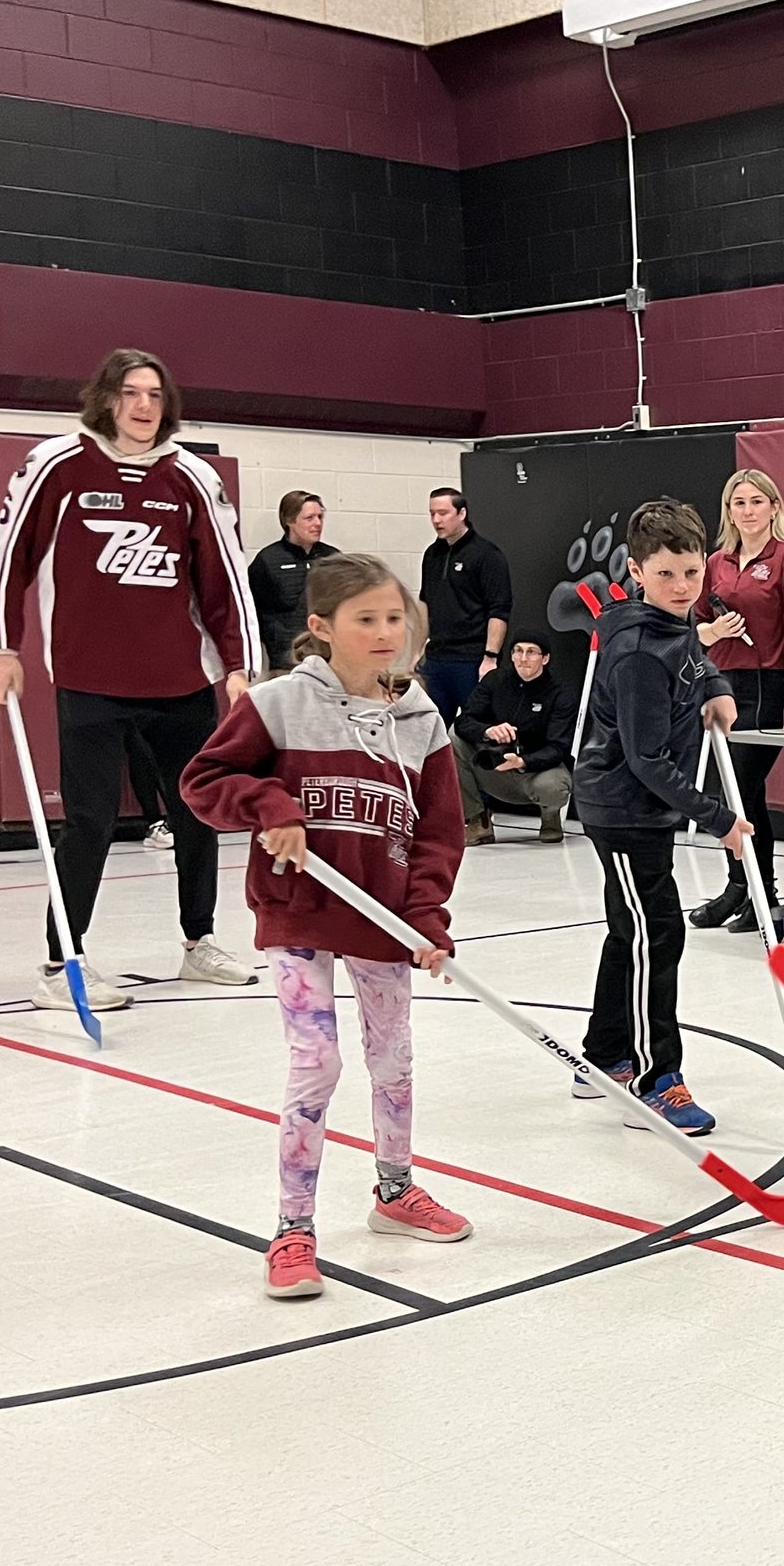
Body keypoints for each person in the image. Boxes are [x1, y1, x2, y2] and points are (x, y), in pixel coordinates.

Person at [179, 553, 471, 1300]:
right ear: (320, 627)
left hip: (383, 913)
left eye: (394, 618)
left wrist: (426, 913)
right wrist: (271, 808)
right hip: (299, 909)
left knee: (394, 1058)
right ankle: (292, 1227)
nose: (385, 633)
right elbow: (204, 782)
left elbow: (440, 831)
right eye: (365, 619)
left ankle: (394, 1190)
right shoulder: (279, 702)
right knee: (317, 1062)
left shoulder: (420, 718)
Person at [0, 346, 260, 1009]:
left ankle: (200, 941)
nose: (142, 406)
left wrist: (240, 665)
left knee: (198, 814)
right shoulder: (55, 463)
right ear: (106, 397)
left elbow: (225, 578)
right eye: (130, 392)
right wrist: (1, 645)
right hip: (90, 680)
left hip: (181, 682)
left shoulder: (190, 476)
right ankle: (61, 960)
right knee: (90, 822)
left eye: (154, 395)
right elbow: (7, 555)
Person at [572, 498, 747, 1133]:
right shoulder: (639, 649)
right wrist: (717, 817)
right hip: (622, 809)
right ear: (637, 570)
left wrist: (718, 691)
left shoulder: (669, 626)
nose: (681, 587)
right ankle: (655, 1077)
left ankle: (603, 1057)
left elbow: (695, 662)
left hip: (639, 809)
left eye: (692, 573)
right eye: (667, 574)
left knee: (631, 932)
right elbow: (646, 759)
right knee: (657, 934)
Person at [688, 467, 784, 934]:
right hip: (721, 683)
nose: (748, 511)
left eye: (756, 501)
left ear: (773, 507)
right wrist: (712, 630)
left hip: (768, 685)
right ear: (729, 511)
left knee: (740, 790)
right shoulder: (715, 563)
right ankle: (747, 890)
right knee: (738, 792)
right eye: (739, 502)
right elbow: (696, 627)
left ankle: (752, 892)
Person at [453, 633, 571, 845]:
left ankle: (550, 815)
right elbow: (464, 721)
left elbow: (558, 747)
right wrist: (487, 731)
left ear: (545, 659)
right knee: (452, 736)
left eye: (531, 652)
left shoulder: (559, 694)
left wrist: (524, 761)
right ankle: (478, 820)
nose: (523, 658)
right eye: (518, 651)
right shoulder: (495, 680)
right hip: (495, 769)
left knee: (555, 787)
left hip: (534, 772)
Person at [417, 487, 511, 725]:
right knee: (431, 727)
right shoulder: (432, 554)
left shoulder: (486, 555)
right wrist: (415, 651)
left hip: (471, 658)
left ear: (461, 513)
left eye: (443, 513)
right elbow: (425, 604)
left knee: (478, 727)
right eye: (432, 514)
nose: (436, 520)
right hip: (437, 658)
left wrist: (490, 657)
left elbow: (499, 609)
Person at [248, 490, 337, 677]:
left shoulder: (333, 558)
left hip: (329, 662)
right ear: (289, 520)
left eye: (320, 516)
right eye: (309, 518)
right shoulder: (267, 560)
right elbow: (252, 613)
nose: (318, 524)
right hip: (285, 664)